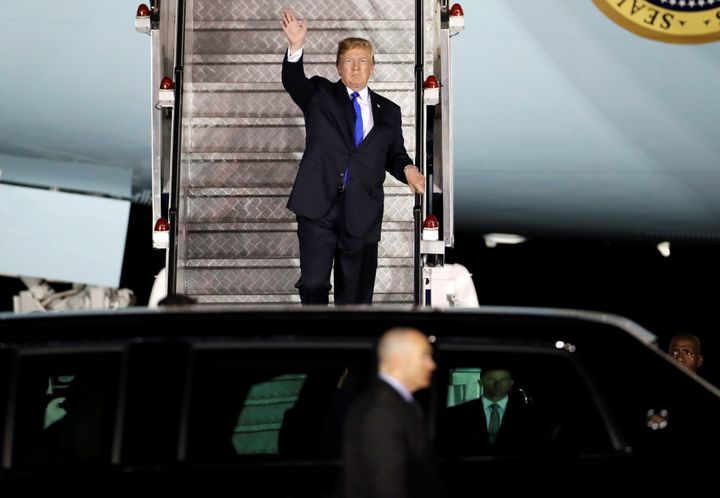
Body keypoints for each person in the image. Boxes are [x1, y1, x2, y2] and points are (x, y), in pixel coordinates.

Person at [280, 8, 425, 305]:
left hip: (362, 211)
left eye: (362, 62)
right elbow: (294, 81)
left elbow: (394, 154)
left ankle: (348, 345)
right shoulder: (320, 94)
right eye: (349, 62)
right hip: (318, 205)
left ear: (372, 67)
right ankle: (317, 343)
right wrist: (296, 47)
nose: (356, 68)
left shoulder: (390, 112)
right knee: (314, 283)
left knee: (356, 294)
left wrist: (408, 169)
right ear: (338, 66)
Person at [341, 327, 445, 498]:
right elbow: (387, 487)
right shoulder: (381, 412)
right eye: (425, 355)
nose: (432, 365)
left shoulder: (393, 404)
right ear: (397, 361)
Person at [438, 367, 541, 455]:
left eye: (503, 380)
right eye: (491, 379)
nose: (497, 384)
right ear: (480, 382)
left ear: (510, 383)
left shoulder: (527, 415)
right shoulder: (457, 414)